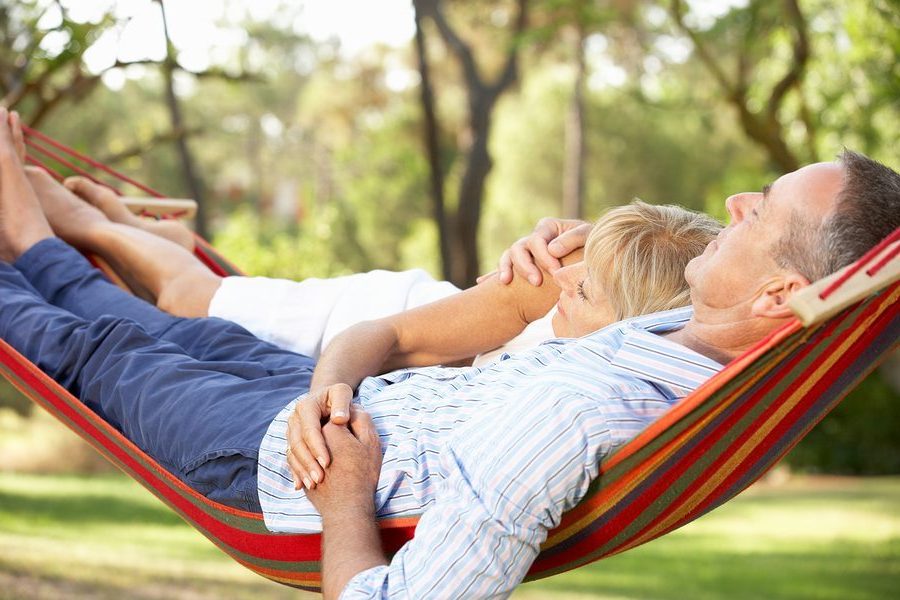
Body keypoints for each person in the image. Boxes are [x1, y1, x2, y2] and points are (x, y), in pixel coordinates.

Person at [1, 106, 897, 600]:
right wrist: (534, 276)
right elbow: (631, 272)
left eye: (762, 209)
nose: (737, 199)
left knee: (92, 348)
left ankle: (25, 230)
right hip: (314, 397)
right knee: (130, 328)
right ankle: (40, 234)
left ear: (781, 295)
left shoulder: (577, 411)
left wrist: (345, 496)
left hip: (286, 460)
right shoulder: (672, 344)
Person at [57, 175, 721, 363]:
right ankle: (90, 224)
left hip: (396, 327)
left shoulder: (644, 353)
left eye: (590, 294)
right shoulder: (558, 283)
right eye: (575, 278)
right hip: (374, 316)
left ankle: (134, 229)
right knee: (184, 297)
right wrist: (553, 244)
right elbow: (405, 338)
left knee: (162, 311)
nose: (567, 293)